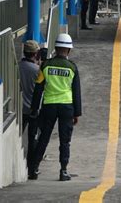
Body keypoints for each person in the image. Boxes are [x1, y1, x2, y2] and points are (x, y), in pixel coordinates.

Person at [29, 33, 82, 181]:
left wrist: (34, 108)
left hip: (49, 106)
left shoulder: (46, 65)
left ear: (56, 48)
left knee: (44, 138)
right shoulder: (72, 68)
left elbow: (38, 88)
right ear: (69, 50)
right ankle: (63, 171)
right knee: (65, 141)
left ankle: (34, 169)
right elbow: (76, 92)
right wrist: (76, 113)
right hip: (67, 107)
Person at [18, 40, 41, 174]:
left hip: (20, 107)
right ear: (36, 54)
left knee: (19, 134)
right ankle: (31, 168)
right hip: (33, 109)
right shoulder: (37, 70)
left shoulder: (18, 67)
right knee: (33, 138)